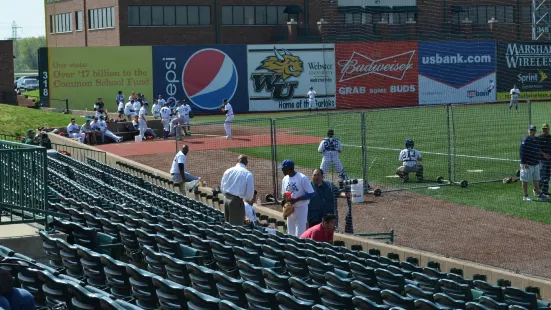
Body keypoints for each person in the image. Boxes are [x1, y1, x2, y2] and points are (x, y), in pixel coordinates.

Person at [281, 159, 315, 237]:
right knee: (290, 234)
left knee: (300, 235)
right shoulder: (285, 179)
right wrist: (285, 200)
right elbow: (285, 194)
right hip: (290, 209)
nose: (282, 170)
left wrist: (296, 199)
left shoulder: (302, 178)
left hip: (301, 209)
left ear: (289, 168)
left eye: (283, 169)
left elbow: (311, 193)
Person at [220, 155, 255, 225]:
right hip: (236, 202)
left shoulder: (228, 171)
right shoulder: (248, 174)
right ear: (246, 162)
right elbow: (250, 194)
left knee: (227, 225)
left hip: (226, 199)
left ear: (237, 161)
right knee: (236, 226)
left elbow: (222, 188)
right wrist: (245, 199)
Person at [520, 125, 548, 201]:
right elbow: (522, 152)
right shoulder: (525, 140)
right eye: (530, 130)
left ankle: (538, 193)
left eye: (533, 131)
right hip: (527, 164)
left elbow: (538, 149)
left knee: (536, 179)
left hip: (535, 163)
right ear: (528, 131)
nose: (532, 132)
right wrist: (524, 162)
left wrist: (542, 154)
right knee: (525, 180)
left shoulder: (536, 139)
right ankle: (525, 195)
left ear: (535, 131)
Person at [539, 124, 551, 196]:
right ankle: (538, 190)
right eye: (543, 129)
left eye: (546, 129)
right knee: (542, 176)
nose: (544, 130)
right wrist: (544, 154)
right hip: (542, 160)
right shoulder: (539, 138)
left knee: (548, 176)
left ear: (548, 129)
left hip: (549, 160)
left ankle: (545, 191)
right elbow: (537, 148)